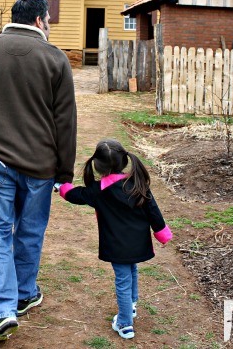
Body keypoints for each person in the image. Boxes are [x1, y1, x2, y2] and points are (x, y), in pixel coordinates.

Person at [0, 0, 78, 343]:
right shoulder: (56, 59)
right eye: (49, 20)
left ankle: (2, 310)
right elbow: (65, 121)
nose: (49, 25)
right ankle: (23, 295)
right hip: (40, 165)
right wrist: (65, 173)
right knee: (30, 230)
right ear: (40, 20)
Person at [58, 139, 172, 340]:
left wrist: (62, 187)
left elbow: (77, 195)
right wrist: (162, 232)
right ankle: (132, 304)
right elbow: (153, 210)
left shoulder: (98, 191)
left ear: (97, 166)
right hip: (138, 242)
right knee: (132, 269)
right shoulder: (137, 183)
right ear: (124, 161)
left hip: (116, 245)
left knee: (123, 279)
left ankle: (125, 323)